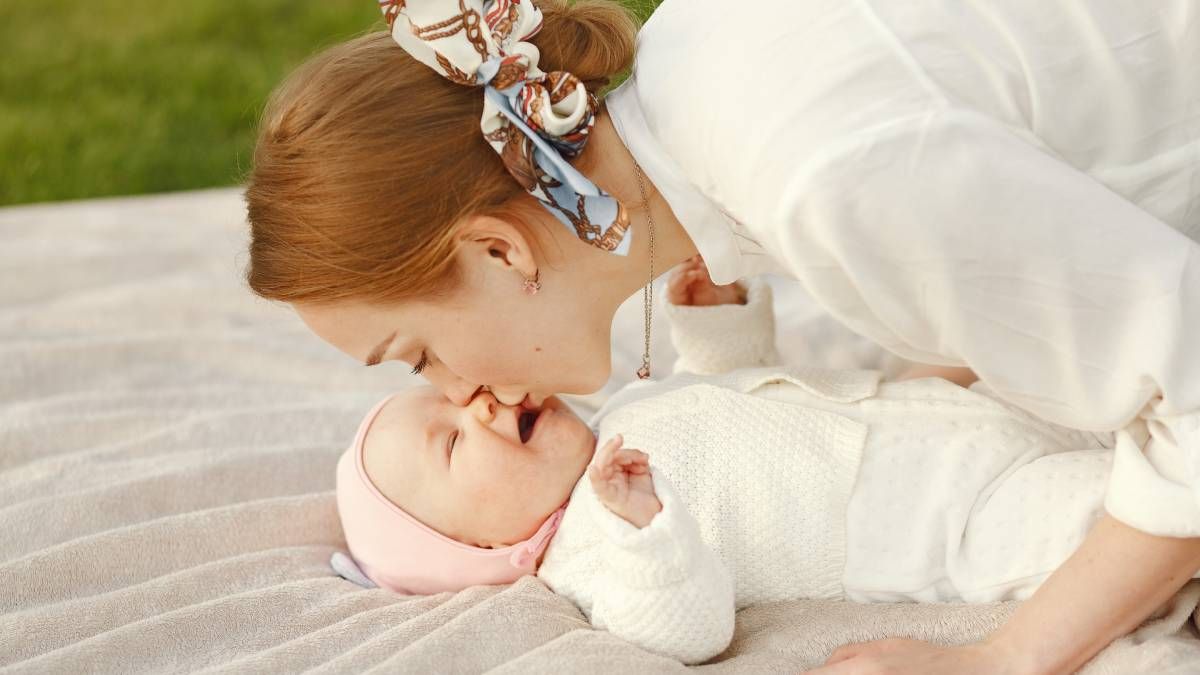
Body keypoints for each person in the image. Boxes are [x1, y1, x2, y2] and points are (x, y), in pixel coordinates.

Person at [244, 1, 1200, 672]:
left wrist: (1008, 658)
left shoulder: (816, 180)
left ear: (498, 249)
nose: (456, 391)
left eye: (418, 355)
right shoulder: (698, 61)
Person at [336, 271, 1122, 664]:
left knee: (1062, 367)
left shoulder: (616, 420)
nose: (474, 403)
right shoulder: (593, 551)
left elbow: (725, 389)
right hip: (935, 520)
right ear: (481, 549)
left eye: (455, 395)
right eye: (450, 442)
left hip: (922, 418)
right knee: (1091, 513)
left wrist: (713, 320)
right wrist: (648, 531)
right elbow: (693, 627)